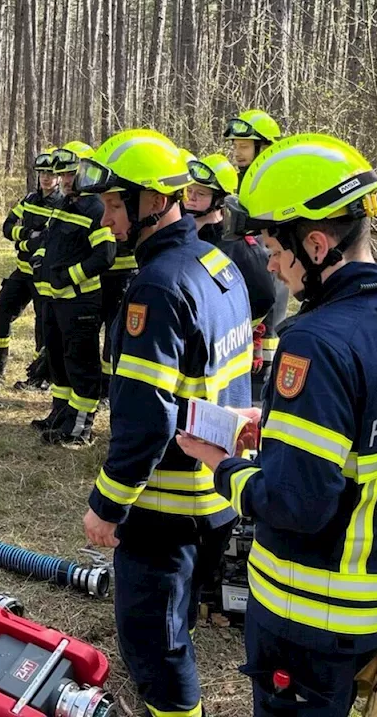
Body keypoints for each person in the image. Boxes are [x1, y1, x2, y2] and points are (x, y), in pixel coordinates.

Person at [178, 133, 377, 717]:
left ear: (317, 243)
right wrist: (277, 424)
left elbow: (295, 503)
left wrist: (220, 463)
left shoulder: (315, 341)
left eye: (278, 253)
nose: (274, 269)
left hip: (309, 611)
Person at [76, 129, 252, 717]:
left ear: (153, 201)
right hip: (216, 492)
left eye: (114, 203)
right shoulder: (216, 264)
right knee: (179, 624)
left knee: (156, 645)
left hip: (165, 508)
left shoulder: (157, 284)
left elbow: (147, 417)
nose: (105, 219)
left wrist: (108, 503)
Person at [31, 141, 114, 446]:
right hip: (55, 300)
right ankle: (60, 415)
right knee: (58, 362)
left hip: (80, 302)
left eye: (71, 175)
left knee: (81, 366)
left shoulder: (96, 208)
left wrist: (69, 276)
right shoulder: (65, 204)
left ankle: (79, 429)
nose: (66, 180)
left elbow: (105, 256)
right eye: (62, 175)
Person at [185, 153, 276, 404]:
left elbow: (265, 296)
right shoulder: (187, 237)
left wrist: (240, 329)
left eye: (200, 194)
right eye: (188, 191)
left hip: (222, 352)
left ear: (219, 200)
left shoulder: (239, 247)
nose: (191, 198)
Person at [0, 146, 63, 379]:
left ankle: (42, 375)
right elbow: (7, 228)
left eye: (51, 173)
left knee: (44, 326)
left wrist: (24, 240)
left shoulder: (62, 205)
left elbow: (47, 240)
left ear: (59, 176)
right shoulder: (29, 200)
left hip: (43, 276)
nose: (46, 177)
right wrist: (27, 236)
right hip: (22, 273)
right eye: (42, 173)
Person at [225, 109, 287, 380]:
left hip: (271, 266)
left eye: (244, 146)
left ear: (264, 147)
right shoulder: (239, 180)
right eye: (236, 146)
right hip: (245, 267)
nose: (238, 153)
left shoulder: (276, 182)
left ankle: (266, 382)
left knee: (270, 322)